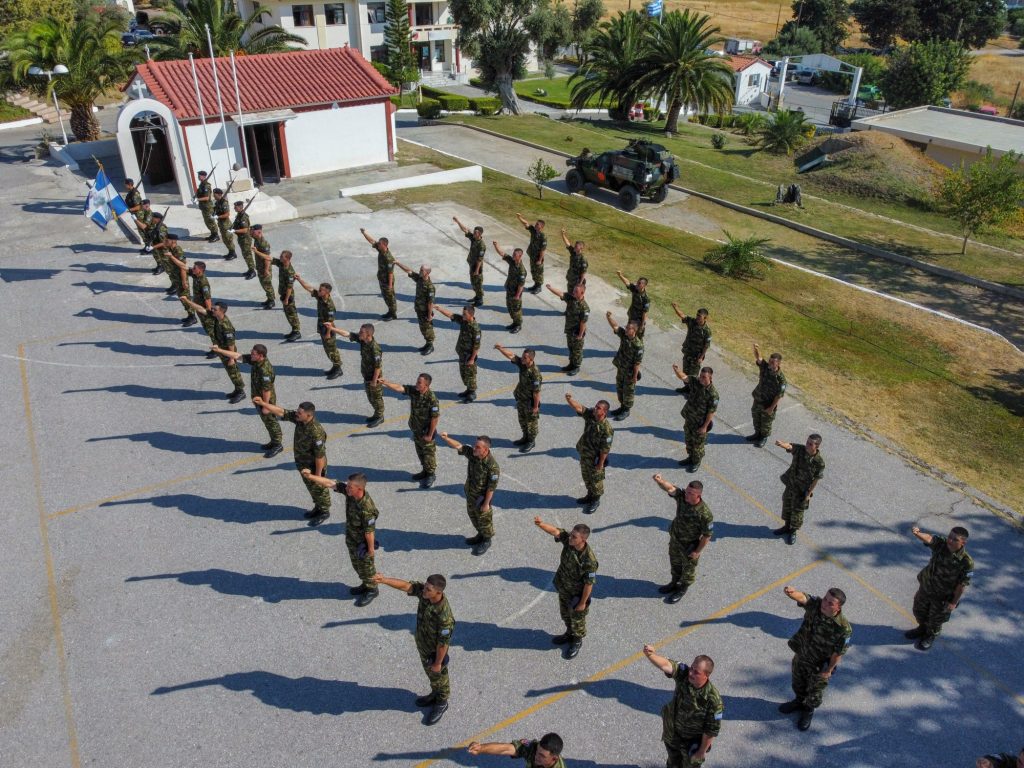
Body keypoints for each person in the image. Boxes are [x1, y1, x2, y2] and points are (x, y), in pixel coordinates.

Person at [372, 572, 454, 725]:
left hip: (434, 652)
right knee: (430, 674)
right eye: (425, 587)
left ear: (438, 592)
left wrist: (437, 663)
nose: (424, 591)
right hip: (423, 644)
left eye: (428, 590)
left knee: (439, 675)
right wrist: (383, 580)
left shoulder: (444, 617)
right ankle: (435, 693)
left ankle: (442, 701)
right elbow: (406, 586)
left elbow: (443, 644)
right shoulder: (425, 593)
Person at [778, 585, 852, 731]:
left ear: (838, 608)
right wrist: (791, 592)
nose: (824, 603)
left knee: (814, 692)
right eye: (825, 599)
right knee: (797, 682)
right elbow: (804, 598)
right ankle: (799, 701)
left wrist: (828, 671)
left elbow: (838, 653)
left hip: (820, 665)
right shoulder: (817, 605)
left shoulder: (843, 629)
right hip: (803, 654)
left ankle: (808, 711)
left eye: (830, 603)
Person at [303, 471, 380, 606]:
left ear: (359, 489)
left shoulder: (366, 508)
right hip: (352, 538)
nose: (347, 488)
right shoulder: (351, 493)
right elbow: (330, 483)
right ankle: (365, 584)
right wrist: (310, 477)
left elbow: (369, 532)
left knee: (367, 567)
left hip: (363, 543)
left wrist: (371, 549)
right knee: (357, 566)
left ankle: (372, 589)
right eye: (348, 485)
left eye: (350, 486)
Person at [251, 398, 331, 526]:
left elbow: (320, 457)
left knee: (318, 488)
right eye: (298, 412)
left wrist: (317, 476)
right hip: (302, 463)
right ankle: (318, 506)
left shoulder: (316, 432)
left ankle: (324, 511)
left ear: (309, 415)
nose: (297, 414)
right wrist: (263, 403)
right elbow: (282, 412)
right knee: (311, 488)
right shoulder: (300, 419)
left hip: (313, 466)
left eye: (300, 413)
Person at [644, 646, 723, 767]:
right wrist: (651, 655)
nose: (691, 672)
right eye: (692, 668)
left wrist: (701, 752)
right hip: (672, 735)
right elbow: (667, 665)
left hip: (692, 745)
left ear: (706, 675)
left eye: (696, 672)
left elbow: (711, 731)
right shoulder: (684, 674)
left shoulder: (713, 700)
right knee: (672, 763)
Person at [534, 517, 597, 660]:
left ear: (583, 540)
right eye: (571, 534)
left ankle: (577, 640)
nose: (570, 538)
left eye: (574, 537)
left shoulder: (589, 560)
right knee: (565, 615)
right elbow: (555, 531)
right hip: (563, 588)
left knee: (577, 620)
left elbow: (589, 584)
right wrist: (541, 524)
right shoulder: (569, 542)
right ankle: (569, 633)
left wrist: (582, 603)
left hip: (576, 595)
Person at [905, 525, 974, 651]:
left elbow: (961, 585)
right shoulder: (941, 544)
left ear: (963, 542)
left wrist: (953, 602)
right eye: (950, 537)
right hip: (926, 587)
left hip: (942, 596)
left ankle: (930, 635)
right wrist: (917, 533)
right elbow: (930, 539)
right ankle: (922, 628)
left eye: (955, 539)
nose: (950, 541)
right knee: (918, 611)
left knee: (935, 620)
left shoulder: (966, 562)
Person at [211, 343, 283, 458]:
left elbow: (267, 390)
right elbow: (237, 356)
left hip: (266, 400)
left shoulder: (265, 370)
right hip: (259, 398)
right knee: (267, 421)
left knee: (271, 421)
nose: (251, 354)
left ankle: (277, 444)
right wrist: (219, 350)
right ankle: (274, 441)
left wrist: (265, 406)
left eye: (253, 353)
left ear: (260, 356)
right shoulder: (257, 360)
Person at [652, 475, 713, 604]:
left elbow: (707, 535)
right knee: (675, 564)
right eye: (687, 491)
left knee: (688, 570)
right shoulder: (683, 497)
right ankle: (674, 583)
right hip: (675, 540)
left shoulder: (704, 513)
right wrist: (660, 481)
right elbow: (670, 488)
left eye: (690, 493)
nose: (687, 494)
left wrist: (697, 552)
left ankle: (682, 588)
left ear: (698, 495)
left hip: (689, 546)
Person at [439, 433, 499, 555]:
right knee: (473, 516)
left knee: (484, 519)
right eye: (475, 445)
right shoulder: (473, 454)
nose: (474, 448)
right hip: (471, 494)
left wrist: (486, 504)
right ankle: (480, 534)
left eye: (477, 447)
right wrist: (446, 438)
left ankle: (486, 539)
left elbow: (491, 487)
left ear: (485, 449)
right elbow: (458, 446)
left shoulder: (492, 467)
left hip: (482, 499)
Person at [180, 299, 246, 403]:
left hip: (228, 352)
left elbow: (231, 344)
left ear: (221, 311)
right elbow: (201, 309)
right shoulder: (215, 316)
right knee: (230, 372)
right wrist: (187, 300)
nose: (212, 309)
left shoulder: (226, 326)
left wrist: (232, 358)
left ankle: (241, 392)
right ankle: (237, 390)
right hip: (221, 350)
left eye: (214, 309)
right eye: (213, 308)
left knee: (233, 372)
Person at [380, 373, 439, 488]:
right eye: (417, 381)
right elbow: (400, 388)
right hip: (416, 430)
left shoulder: (432, 399)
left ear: (426, 385)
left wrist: (430, 435)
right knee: (420, 452)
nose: (416, 384)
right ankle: (425, 471)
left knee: (428, 455)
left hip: (426, 433)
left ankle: (431, 474)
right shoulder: (415, 391)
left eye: (419, 383)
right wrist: (386, 383)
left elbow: (435, 418)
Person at [326, 322, 384, 427]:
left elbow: (378, 367)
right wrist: (333, 329)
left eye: (361, 332)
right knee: (370, 398)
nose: (359, 333)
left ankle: (380, 416)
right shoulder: (363, 340)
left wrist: (374, 381)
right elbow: (348, 334)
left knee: (376, 398)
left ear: (368, 335)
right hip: (367, 377)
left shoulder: (375, 349)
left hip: (374, 379)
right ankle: (377, 414)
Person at [564, 392, 612, 514]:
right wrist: (569, 399)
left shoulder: (606, 429)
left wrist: (600, 464)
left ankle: (596, 500)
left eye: (598, 408)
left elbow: (605, 448)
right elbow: (579, 408)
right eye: (596, 406)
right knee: (586, 477)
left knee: (596, 480)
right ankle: (589, 496)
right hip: (585, 454)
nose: (595, 409)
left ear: (604, 412)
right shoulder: (591, 414)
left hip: (595, 458)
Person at [773, 435, 824, 545]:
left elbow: (816, 479)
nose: (807, 445)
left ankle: (793, 532)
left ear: (817, 446)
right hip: (791, 484)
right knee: (787, 505)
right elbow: (791, 446)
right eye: (807, 442)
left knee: (797, 512)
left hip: (802, 490)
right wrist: (782, 444)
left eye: (810, 444)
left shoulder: (819, 462)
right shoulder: (801, 450)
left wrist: (808, 494)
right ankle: (786, 527)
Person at [293, 272, 342, 379]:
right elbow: (309, 288)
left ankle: (338, 369)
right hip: (322, 327)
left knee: (332, 350)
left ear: (327, 292)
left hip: (328, 330)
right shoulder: (320, 297)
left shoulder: (329, 306)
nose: (318, 291)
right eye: (319, 289)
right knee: (327, 349)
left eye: (320, 290)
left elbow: (330, 322)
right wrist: (299, 279)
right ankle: (335, 366)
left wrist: (328, 333)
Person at [494, 343, 541, 452]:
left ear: (531, 359)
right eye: (523, 356)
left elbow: (536, 393)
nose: (522, 359)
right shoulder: (523, 364)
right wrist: (501, 348)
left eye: (525, 358)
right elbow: (511, 356)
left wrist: (535, 407)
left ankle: (531, 441)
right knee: (522, 420)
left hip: (530, 402)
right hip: (521, 399)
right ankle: (525, 437)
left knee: (531, 423)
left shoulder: (535, 374)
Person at [672, 365, 718, 473]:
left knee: (697, 445)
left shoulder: (713, 394)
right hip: (689, 418)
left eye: (704, 377)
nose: (701, 379)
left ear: (710, 378)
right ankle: (690, 458)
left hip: (700, 423)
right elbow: (684, 377)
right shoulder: (696, 382)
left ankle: (696, 461)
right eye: (701, 376)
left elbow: (711, 412)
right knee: (688, 440)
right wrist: (677, 370)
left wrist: (704, 427)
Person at [435, 304, 481, 402]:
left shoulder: (475, 329)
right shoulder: (464, 321)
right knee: (463, 374)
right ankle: (468, 390)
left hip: (469, 356)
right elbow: (451, 315)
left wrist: (472, 359)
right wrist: (440, 309)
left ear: (471, 315)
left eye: (465, 314)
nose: (463, 316)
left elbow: (476, 346)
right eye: (463, 314)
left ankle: (472, 393)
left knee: (470, 375)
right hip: (462, 354)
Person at [255, 249, 300, 341]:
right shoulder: (281, 264)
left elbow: (289, 288)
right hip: (284, 294)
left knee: (292, 314)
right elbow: (268, 258)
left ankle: (297, 332)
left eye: (282, 256)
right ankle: (294, 330)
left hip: (288, 296)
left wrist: (287, 299)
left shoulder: (290, 272)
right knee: (288, 314)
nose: (280, 257)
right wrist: (256, 252)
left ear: (287, 258)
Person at [545, 282, 589, 376]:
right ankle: (571, 364)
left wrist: (580, 335)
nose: (573, 292)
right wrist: (550, 288)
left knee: (577, 350)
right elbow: (561, 293)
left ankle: (576, 366)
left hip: (577, 333)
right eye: (574, 290)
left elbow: (583, 323)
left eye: (576, 291)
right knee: (571, 348)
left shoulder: (584, 308)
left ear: (582, 293)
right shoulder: (571, 298)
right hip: (570, 330)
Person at [747, 345, 786, 447]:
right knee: (756, 418)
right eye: (770, 361)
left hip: (768, 405)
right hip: (758, 399)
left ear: (778, 363)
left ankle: (763, 438)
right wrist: (756, 350)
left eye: (773, 362)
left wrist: (771, 408)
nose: (770, 363)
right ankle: (757, 434)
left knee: (766, 423)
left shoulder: (781, 379)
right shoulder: (765, 367)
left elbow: (778, 396)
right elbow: (759, 358)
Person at [607, 312, 643, 421]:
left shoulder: (638, 345)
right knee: (620, 389)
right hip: (621, 368)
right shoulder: (624, 335)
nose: (626, 329)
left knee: (628, 391)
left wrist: (635, 377)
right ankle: (622, 407)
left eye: (628, 329)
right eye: (626, 328)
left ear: (634, 331)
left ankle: (626, 410)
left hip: (630, 373)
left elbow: (637, 363)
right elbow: (615, 326)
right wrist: (609, 317)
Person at [395, 260, 435, 355]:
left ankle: (430, 345)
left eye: (422, 270)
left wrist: (429, 316)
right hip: (419, 309)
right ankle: (427, 343)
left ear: (427, 272)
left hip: (425, 312)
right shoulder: (420, 278)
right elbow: (409, 271)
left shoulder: (430, 287)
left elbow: (430, 303)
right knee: (422, 328)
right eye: (420, 269)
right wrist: (398, 263)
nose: (420, 271)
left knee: (427, 328)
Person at [671, 305, 711, 393]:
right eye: (697, 315)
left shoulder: (706, 331)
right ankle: (687, 388)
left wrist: (701, 357)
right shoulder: (692, 322)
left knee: (693, 376)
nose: (697, 317)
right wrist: (675, 307)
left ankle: (694, 392)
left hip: (696, 357)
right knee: (685, 373)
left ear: (705, 318)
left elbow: (706, 345)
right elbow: (682, 315)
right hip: (687, 353)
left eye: (699, 316)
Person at [361, 227, 398, 320]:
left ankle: (393, 314)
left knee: (390, 297)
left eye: (380, 243)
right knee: (386, 297)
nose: (378, 244)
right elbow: (372, 241)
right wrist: (364, 233)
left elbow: (390, 273)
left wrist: (390, 286)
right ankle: (390, 311)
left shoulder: (389, 258)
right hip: (382, 279)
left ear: (384, 245)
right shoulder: (381, 249)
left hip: (387, 281)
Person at [468, 733, 565, 767]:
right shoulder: (534, 748)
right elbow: (507, 749)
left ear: (554, 759)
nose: (536, 756)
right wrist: (481, 748)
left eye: (542, 756)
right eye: (538, 752)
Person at [163, 245, 202, 328]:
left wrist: (184, 281)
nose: (165, 242)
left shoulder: (178, 251)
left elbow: (183, 267)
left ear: (172, 241)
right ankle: (190, 315)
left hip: (181, 280)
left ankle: (192, 317)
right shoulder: (171, 248)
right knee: (182, 297)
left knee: (185, 298)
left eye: (167, 240)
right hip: (177, 279)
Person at [493, 240, 526, 333]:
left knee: (516, 310)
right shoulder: (512, 261)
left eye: (515, 255)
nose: (513, 256)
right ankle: (514, 323)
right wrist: (496, 245)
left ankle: (518, 325)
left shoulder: (521, 270)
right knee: (509, 308)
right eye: (513, 254)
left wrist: (517, 296)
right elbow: (502, 253)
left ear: (520, 256)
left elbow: (521, 285)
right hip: (509, 290)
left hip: (516, 293)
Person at [453, 216, 486, 306]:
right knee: (473, 282)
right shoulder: (474, 238)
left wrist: (476, 270)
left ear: (479, 234)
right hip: (472, 264)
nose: (474, 233)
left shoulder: (481, 245)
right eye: (474, 232)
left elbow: (480, 259)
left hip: (477, 267)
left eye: (475, 232)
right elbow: (465, 230)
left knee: (477, 283)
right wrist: (457, 221)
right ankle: (477, 296)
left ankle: (480, 300)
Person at [516, 213, 547, 294]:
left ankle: (539, 287)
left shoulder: (543, 237)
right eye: (536, 224)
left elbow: (543, 250)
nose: (536, 225)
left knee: (538, 273)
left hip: (538, 258)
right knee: (533, 271)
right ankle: (535, 285)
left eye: (538, 224)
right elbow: (526, 223)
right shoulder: (533, 231)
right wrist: (520, 217)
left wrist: (540, 260)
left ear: (541, 227)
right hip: (532, 256)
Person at [616, 270, 650, 338]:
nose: (637, 284)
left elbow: (645, 313)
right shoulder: (635, 289)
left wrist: (642, 325)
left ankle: (637, 348)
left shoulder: (646, 299)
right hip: (632, 316)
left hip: (638, 320)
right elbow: (627, 283)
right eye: (637, 282)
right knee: (628, 333)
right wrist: (620, 275)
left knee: (636, 336)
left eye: (639, 283)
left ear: (644, 285)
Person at [250, 225, 276, 310]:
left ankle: (272, 301)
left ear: (259, 232)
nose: (251, 233)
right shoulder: (257, 240)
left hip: (265, 268)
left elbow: (267, 258)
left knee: (267, 285)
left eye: (253, 232)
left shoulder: (263, 243)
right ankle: (269, 299)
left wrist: (266, 270)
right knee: (264, 285)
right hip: (260, 267)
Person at [230, 199, 256, 279]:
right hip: (241, 238)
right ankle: (250, 269)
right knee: (245, 255)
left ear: (240, 207)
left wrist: (235, 230)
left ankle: (252, 271)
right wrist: (231, 228)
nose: (234, 208)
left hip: (245, 239)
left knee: (248, 255)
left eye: (235, 207)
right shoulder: (239, 215)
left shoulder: (244, 217)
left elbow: (245, 229)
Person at [193, 170, 219, 242]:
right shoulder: (202, 184)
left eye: (200, 175)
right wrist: (195, 197)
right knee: (207, 222)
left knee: (211, 221)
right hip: (203, 207)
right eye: (198, 175)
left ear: (204, 176)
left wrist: (197, 199)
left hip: (208, 207)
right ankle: (212, 234)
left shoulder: (206, 185)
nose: (198, 177)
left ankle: (216, 235)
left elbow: (207, 198)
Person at [213, 188, 238, 260]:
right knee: (224, 239)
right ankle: (230, 252)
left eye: (214, 195)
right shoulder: (217, 202)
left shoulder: (224, 203)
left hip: (226, 224)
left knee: (229, 239)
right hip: (221, 224)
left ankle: (233, 253)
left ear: (219, 195)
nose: (213, 196)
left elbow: (227, 214)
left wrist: (218, 216)